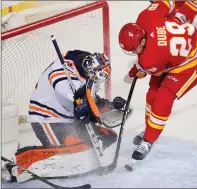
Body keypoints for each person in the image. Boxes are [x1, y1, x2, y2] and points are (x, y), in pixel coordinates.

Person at [2, 50, 132, 182]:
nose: (98, 81)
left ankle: (83, 162)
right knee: (71, 152)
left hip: (69, 119)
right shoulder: (63, 71)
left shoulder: (86, 73)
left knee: (105, 138)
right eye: (98, 76)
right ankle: (16, 167)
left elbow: (90, 103)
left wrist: (112, 106)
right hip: (47, 119)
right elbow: (70, 95)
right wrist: (82, 103)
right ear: (91, 69)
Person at [118, 0, 197, 161]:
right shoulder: (146, 16)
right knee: (151, 94)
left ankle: (148, 140)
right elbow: (167, 2)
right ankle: (149, 130)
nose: (134, 52)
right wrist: (182, 13)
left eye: (134, 49)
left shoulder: (151, 60)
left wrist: (136, 70)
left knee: (162, 98)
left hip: (189, 63)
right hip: (182, 39)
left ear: (142, 41)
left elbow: (146, 68)